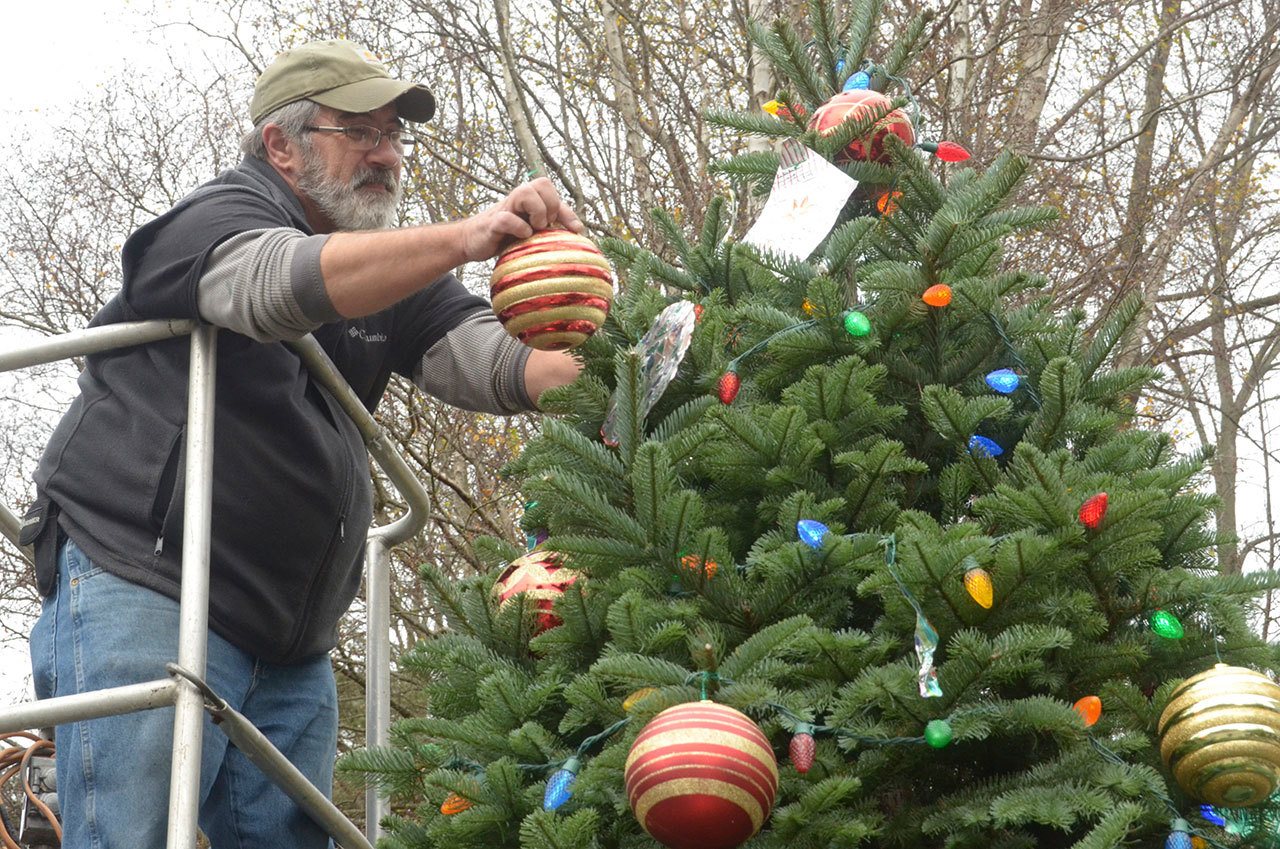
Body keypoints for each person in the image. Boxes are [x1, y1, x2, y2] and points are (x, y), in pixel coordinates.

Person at [22, 39, 583, 848]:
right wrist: (467, 235)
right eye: (361, 132)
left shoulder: (398, 281)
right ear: (280, 145)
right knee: (130, 834)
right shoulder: (213, 221)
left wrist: (621, 345)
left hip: (291, 643)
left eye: (395, 135)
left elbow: (501, 363)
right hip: (147, 585)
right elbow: (275, 285)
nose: (387, 155)